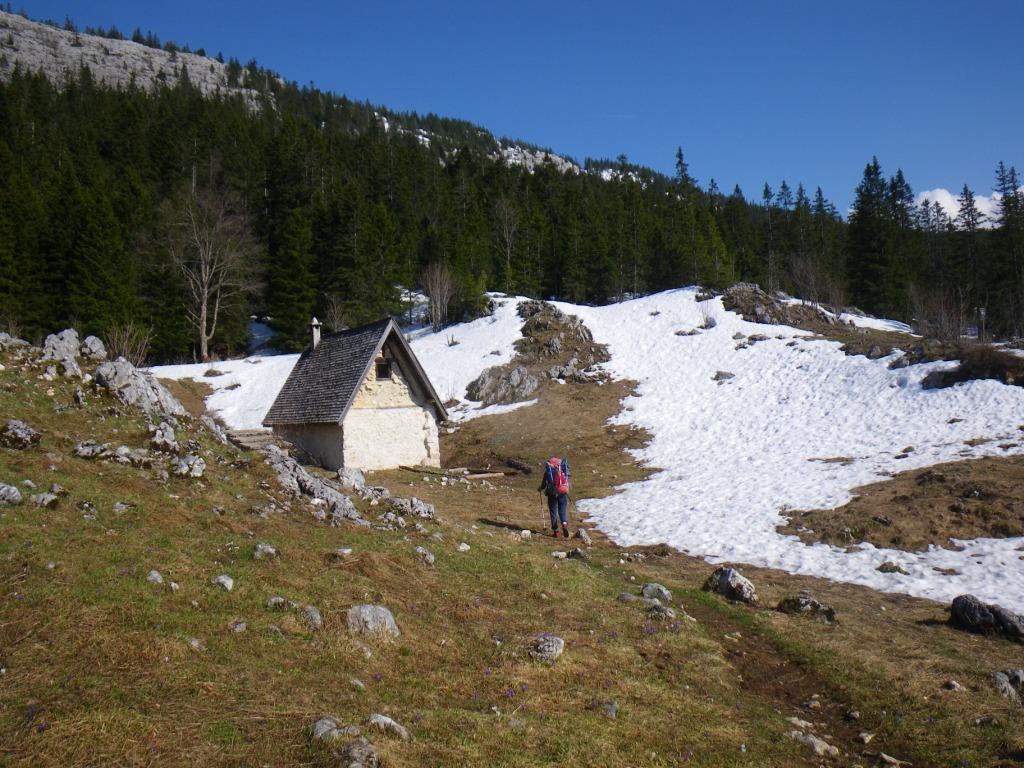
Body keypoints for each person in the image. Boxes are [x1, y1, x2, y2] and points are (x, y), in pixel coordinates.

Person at [538, 456, 571, 538]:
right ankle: (564, 524)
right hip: (562, 492)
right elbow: (567, 479)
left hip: (552, 493)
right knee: (562, 510)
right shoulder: (562, 470)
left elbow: (544, 484)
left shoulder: (548, 472)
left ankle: (556, 531)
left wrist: (540, 488)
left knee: (553, 511)